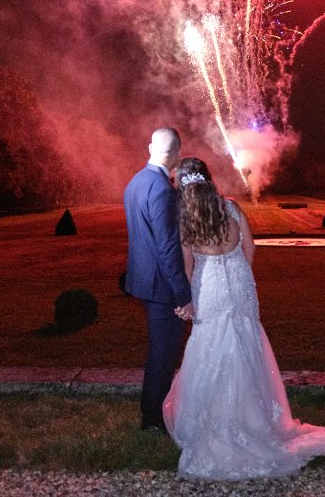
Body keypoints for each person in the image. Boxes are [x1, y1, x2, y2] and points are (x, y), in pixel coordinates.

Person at [163, 157, 325, 480]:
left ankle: (218, 421)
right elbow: (250, 247)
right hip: (239, 279)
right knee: (245, 344)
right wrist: (241, 275)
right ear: (209, 180)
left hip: (209, 286)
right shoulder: (231, 207)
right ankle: (255, 420)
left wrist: (189, 298)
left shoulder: (187, 219)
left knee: (211, 347)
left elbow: (187, 267)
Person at [124, 128, 194, 432]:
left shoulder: (136, 182)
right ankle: (153, 419)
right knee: (163, 353)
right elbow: (167, 248)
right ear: (177, 154)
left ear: (151, 146)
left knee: (160, 350)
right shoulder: (162, 189)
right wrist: (183, 294)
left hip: (144, 279)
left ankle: (152, 413)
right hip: (161, 286)